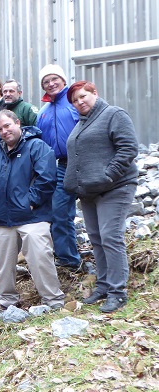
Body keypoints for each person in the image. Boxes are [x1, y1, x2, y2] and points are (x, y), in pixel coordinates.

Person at [64, 81, 139, 313]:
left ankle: (118, 292)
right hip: (89, 192)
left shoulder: (113, 114)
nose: (80, 102)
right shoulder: (82, 123)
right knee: (96, 238)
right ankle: (104, 285)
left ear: (95, 93)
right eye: (75, 100)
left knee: (110, 237)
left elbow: (128, 148)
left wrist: (108, 176)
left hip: (114, 188)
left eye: (83, 96)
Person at [0, 110, 65, 312]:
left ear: (18, 123)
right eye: (0, 129)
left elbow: (46, 178)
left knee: (40, 257)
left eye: (8, 125)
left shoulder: (36, 146)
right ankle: (6, 298)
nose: (4, 131)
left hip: (32, 216)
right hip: (3, 218)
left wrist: (31, 201)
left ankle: (52, 299)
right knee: (4, 264)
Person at [36, 64, 81, 270]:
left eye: (54, 79)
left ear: (63, 80)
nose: (51, 84)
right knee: (60, 212)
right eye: (46, 82)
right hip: (62, 166)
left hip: (85, 162)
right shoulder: (43, 112)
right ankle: (68, 260)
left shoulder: (75, 101)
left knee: (97, 211)